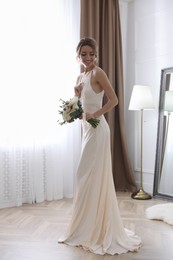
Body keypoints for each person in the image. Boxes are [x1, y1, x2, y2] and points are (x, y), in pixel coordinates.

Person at [58, 37, 142, 255]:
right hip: (87, 130)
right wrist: (76, 97)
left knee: (83, 175)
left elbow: (113, 100)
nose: (88, 57)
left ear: (96, 55)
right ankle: (85, 228)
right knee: (87, 178)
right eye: (83, 54)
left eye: (91, 54)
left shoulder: (98, 73)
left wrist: (96, 113)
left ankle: (95, 229)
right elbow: (79, 109)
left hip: (98, 130)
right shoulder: (81, 76)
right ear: (78, 55)